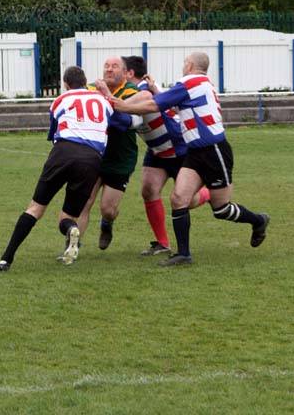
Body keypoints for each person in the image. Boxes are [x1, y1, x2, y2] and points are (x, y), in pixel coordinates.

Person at [113, 52, 270, 267]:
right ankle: (183, 254)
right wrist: (157, 90)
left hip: (214, 151)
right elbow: (176, 106)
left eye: (184, 62)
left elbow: (153, 106)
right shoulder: (202, 83)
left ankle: (258, 220)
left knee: (221, 209)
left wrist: (120, 105)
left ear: (189, 65)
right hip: (195, 152)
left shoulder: (189, 82)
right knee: (178, 198)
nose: (183, 66)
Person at [0, 65, 120, 270]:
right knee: (67, 216)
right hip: (92, 159)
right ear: (85, 81)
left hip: (64, 151)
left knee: (35, 208)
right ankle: (72, 228)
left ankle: (6, 258)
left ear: (65, 84)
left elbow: (53, 134)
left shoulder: (60, 100)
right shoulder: (103, 101)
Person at [122, 55, 210, 256]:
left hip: (177, 147)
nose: (110, 71)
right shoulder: (135, 90)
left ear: (129, 73)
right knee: (148, 190)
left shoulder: (144, 89)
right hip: (157, 150)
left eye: (116, 67)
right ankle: (163, 243)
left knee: (188, 200)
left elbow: (138, 103)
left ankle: (208, 194)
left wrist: (113, 105)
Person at [76, 56, 139, 250]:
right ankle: (72, 247)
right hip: (94, 157)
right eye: (106, 66)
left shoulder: (131, 92)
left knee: (108, 209)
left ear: (125, 72)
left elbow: (123, 120)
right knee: (84, 203)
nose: (109, 70)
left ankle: (107, 223)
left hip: (120, 159)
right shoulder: (91, 90)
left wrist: (106, 96)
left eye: (114, 66)